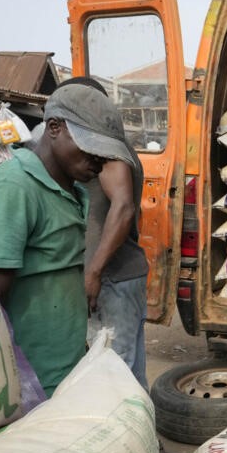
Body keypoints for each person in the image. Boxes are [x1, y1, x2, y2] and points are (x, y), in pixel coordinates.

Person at [0, 85, 131, 396]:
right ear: (54, 128)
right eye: (89, 146)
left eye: (104, 153)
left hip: (65, 371)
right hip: (28, 383)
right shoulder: (13, 189)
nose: (98, 160)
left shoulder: (72, 191)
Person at [60, 77, 151, 391]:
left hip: (112, 280)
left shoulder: (108, 149)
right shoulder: (111, 149)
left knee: (111, 381)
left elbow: (124, 207)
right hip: (123, 278)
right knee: (130, 377)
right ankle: (147, 439)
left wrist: (94, 272)